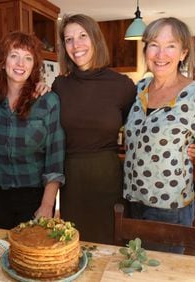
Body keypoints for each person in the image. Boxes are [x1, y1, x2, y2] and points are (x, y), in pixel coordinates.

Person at [123, 17, 195, 253]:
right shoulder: (137, 90)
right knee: (134, 271)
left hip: (169, 208)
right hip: (131, 202)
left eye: (171, 46)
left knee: (164, 275)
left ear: (183, 53)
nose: (160, 54)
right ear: (145, 50)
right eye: (154, 44)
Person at [52, 14, 136, 244]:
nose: (75, 45)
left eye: (82, 36)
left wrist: (184, 145)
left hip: (108, 178)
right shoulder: (60, 85)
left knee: (110, 243)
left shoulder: (122, 85)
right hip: (72, 181)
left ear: (95, 39)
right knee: (74, 244)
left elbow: (142, 128)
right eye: (68, 39)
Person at [0, 31, 65, 229]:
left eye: (28, 58)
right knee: (1, 251)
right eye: (14, 55)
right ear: (3, 62)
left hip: (33, 198)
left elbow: (55, 160)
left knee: (31, 255)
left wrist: (47, 205)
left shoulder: (48, 102)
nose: (21, 64)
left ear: (34, 66)